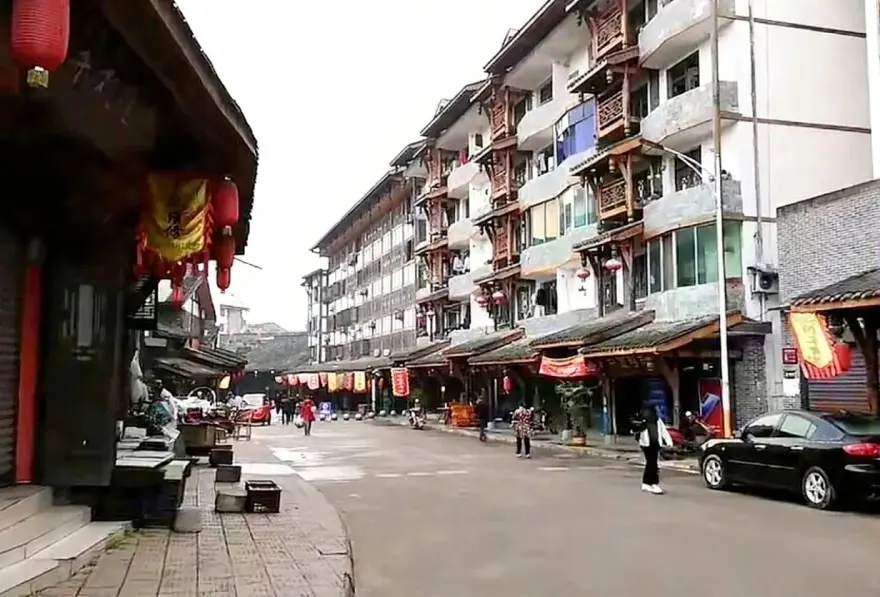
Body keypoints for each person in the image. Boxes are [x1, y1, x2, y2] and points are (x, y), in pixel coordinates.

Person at [636, 405, 674, 494]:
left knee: (651, 463)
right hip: (646, 444)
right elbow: (637, 430)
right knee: (653, 464)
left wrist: (669, 441)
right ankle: (653, 483)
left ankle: (646, 483)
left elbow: (663, 431)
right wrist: (641, 424)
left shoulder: (657, 421)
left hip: (655, 444)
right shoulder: (643, 421)